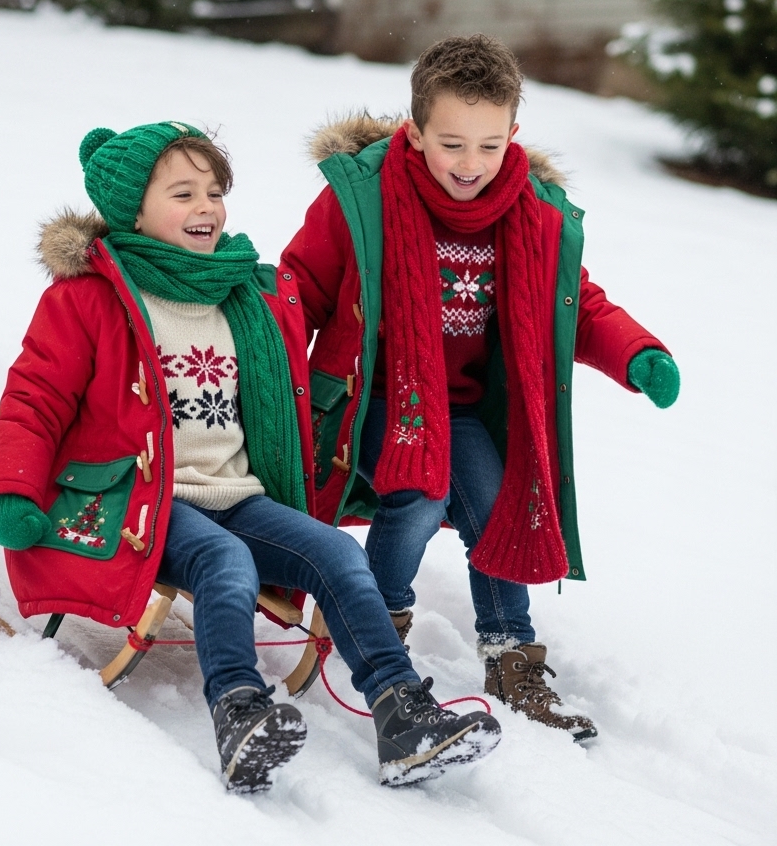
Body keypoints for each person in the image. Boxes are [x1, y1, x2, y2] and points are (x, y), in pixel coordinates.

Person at [0, 121, 501, 791]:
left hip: (239, 494)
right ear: (131, 208)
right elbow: (34, 398)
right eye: (184, 193)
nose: (207, 208)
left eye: (216, 191)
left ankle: (402, 714)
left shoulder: (244, 294)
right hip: (146, 499)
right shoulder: (89, 297)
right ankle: (239, 711)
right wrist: (14, 490)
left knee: (337, 554)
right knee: (223, 563)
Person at [281, 36, 680, 742]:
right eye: (452, 144)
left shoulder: (529, 214)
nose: (470, 165)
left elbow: (574, 303)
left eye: (489, 146)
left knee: (497, 507)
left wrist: (636, 351)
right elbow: (300, 288)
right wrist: (267, 353)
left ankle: (510, 655)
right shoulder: (362, 198)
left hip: (461, 408)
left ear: (513, 135)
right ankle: (379, 619)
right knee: (421, 487)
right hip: (373, 398)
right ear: (415, 131)